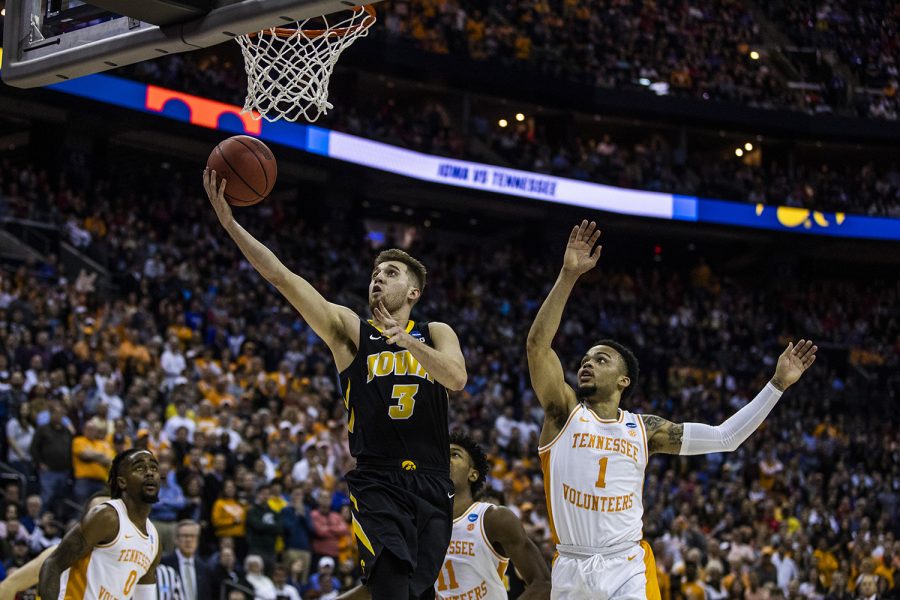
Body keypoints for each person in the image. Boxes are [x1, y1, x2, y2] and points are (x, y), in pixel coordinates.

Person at [204, 169, 467, 600]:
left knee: (419, 594)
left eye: (392, 272)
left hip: (433, 482)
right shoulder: (351, 330)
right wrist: (232, 225)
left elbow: (455, 378)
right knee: (389, 588)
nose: (378, 277)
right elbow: (283, 279)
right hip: (378, 481)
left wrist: (403, 340)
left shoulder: (436, 332)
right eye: (376, 271)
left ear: (414, 292)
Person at [526, 220, 818, 600]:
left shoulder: (643, 429)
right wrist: (567, 275)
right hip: (570, 565)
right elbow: (537, 346)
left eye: (601, 359)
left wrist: (776, 385)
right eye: (585, 359)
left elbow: (726, 437)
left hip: (626, 564)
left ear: (623, 380)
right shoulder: (563, 413)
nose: (586, 364)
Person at [336, 432, 552, 600]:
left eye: (454, 454)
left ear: (473, 474)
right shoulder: (416, 527)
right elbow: (380, 589)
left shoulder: (492, 519)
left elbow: (542, 583)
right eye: (440, 455)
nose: (444, 460)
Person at [37, 449, 162, 600]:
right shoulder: (108, 517)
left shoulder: (154, 540)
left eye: (154, 467)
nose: (149, 472)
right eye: (139, 468)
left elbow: (144, 596)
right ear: (122, 482)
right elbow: (53, 564)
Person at [0, 491, 111, 600]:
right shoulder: (58, 555)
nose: (103, 521)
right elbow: (8, 586)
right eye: (97, 514)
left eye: (110, 515)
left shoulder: (122, 568)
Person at [161, 520, 211, 600]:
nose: (189, 540)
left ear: (197, 540)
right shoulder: (164, 564)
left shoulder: (204, 568)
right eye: (185, 536)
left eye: (192, 536)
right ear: (176, 539)